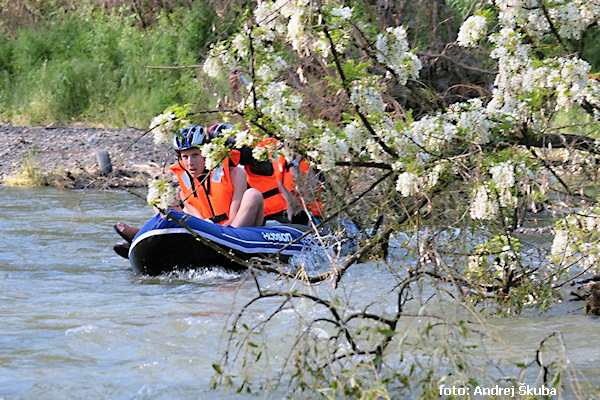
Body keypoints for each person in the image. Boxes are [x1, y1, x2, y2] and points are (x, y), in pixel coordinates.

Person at [113, 125, 264, 257]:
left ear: (206, 153)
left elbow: (234, 215)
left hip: (235, 231)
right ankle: (145, 238)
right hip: (205, 229)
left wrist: (215, 232)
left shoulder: (236, 173)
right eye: (185, 157)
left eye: (195, 155)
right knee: (162, 199)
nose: (190, 162)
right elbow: (196, 215)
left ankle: (144, 237)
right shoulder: (186, 182)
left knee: (253, 195)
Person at [208, 123, 290, 223]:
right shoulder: (222, 174)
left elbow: (245, 153)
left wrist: (212, 137)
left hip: (273, 218)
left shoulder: (258, 159)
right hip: (247, 220)